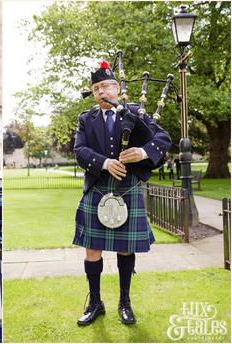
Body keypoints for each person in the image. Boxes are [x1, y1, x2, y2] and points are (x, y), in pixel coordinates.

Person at [73, 60, 171, 326]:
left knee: (126, 250)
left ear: (117, 88)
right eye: (96, 88)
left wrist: (142, 152)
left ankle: (124, 303)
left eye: (106, 86)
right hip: (97, 188)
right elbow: (79, 151)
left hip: (127, 188)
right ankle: (95, 303)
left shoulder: (135, 113)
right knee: (92, 249)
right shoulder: (86, 119)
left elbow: (163, 139)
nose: (101, 92)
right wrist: (105, 162)